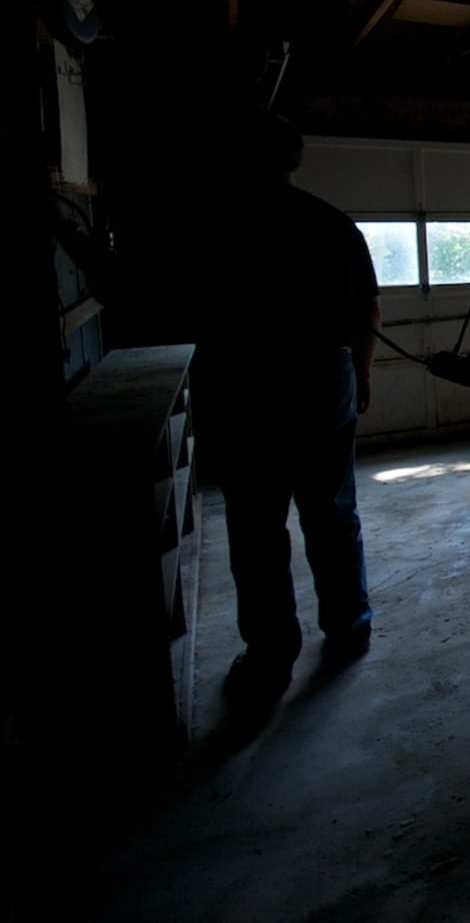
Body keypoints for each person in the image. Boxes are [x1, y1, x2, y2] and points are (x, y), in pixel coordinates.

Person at [194, 112, 381, 705]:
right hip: (323, 375)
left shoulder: (215, 226)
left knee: (255, 525)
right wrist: (364, 373)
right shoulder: (329, 223)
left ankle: (272, 653)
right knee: (331, 509)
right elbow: (367, 312)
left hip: (244, 381)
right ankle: (349, 628)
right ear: (292, 159)